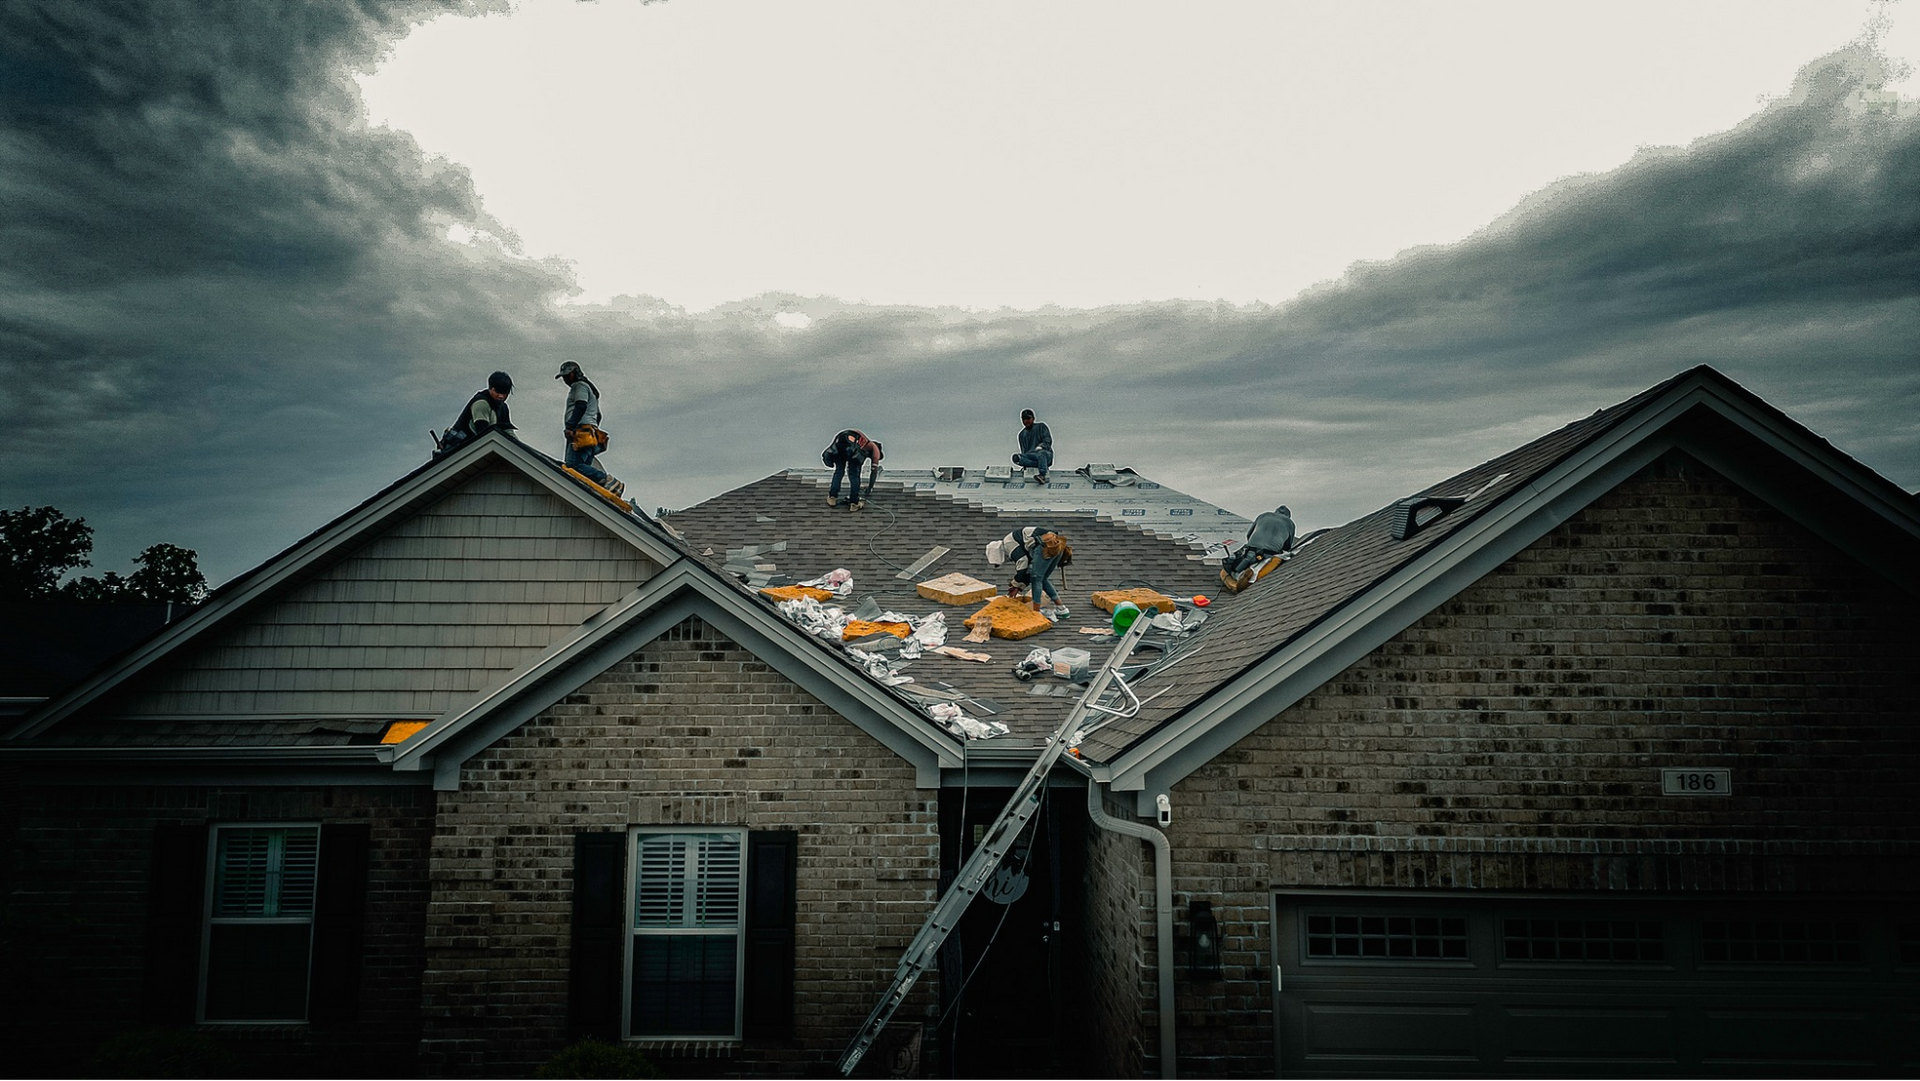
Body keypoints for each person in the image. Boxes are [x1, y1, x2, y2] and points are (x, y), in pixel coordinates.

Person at [556, 361, 624, 498]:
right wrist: (592, 427)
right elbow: (598, 415)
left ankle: (607, 480)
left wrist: (570, 426)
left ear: (575, 373)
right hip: (589, 432)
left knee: (572, 466)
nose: (565, 379)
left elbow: (580, 405)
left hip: (580, 431)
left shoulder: (579, 386)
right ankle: (594, 493)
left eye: (567, 376)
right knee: (582, 474)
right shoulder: (590, 392)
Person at [986, 525, 1073, 617]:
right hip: (1057, 544)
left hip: (1045, 545)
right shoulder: (1011, 540)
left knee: (1036, 579)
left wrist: (1016, 586)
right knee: (1042, 579)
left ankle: (1036, 612)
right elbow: (1027, 567)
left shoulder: (1008, 545)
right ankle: (1061, 609)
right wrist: (1018, 586)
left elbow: (1023, 565)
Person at [433, 371, 517, 459]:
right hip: (458, 450)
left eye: (504, 393)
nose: (501, 396)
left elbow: (509, 433)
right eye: (497, 392)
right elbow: (483, 434)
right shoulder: (481, 403)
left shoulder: (503, 408)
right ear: (490, 388)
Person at [1220, 504, 1296, 592]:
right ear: (1288, 516)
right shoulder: (1290, 524)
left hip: (1251, 549)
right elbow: (1287, 547)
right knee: (1263, 565)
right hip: (1270, 553)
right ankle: (1248, 577)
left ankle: (1239, 572)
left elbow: (1249, 535)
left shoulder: (1263, 515)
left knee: (1238, 565)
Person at [822, 429, 883, 511]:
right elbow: (874, 471)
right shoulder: (873, 446)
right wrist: (870, 488)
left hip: (839, 444)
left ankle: (832, 497)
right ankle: (854, 503)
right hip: (849, 445)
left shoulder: (861, 440)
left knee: (839, 471)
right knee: (854, 475)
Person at [1012, 408, 1053, 484]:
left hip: (1045, 454)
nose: (1026, 421)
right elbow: (1024, 451)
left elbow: (1048, 441)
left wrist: (1041, 446)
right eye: (1024, 419)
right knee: (1017, 458)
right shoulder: (1021, 435)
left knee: (1041, 454)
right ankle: (1037, 465)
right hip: (1031, 457)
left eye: (1028, 418)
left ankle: (1042, 475)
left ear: (1033, 418)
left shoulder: (1041, 426)